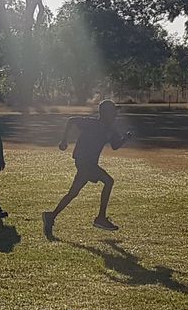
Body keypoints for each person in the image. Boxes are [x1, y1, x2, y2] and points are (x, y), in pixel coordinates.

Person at [45, 100, 130, 236]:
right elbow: (71, 120)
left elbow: (115, 145)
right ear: (105, 114)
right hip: (84, 162)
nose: (115, 115)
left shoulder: (110, 129)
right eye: (113, 112)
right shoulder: (92, 124)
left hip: (90, 164)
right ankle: (100, 218)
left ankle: (51, 216)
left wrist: (124, 138)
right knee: (109, 181)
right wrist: (64, 140)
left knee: (73, 193)